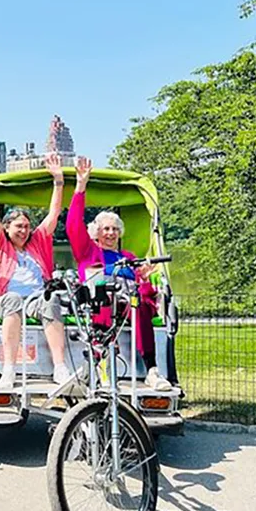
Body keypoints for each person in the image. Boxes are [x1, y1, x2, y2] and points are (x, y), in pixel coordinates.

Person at [66, 156, 172, 390]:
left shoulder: (130, 257)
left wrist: (144, 277)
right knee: (106, 300)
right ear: (96, 232)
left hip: (129, 302)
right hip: (101, 301)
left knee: (140, 302)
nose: (111, 233)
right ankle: (99, 363)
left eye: (115, 229)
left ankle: (152, 370)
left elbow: (144, 286)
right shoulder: (89, 252)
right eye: (106, 229)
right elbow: (73, 225)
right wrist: (80, 186)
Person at [0, 153, 70, 388]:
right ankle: (8, 371)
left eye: (27, 226)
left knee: (50, 301)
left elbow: (54, 214)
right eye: (19, 226)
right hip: (4, 299)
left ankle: (60, 368)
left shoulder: (37, 242)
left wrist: (58, 182)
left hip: (34, 298)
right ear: (7, 227)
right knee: (12, 300)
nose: (24, 230)